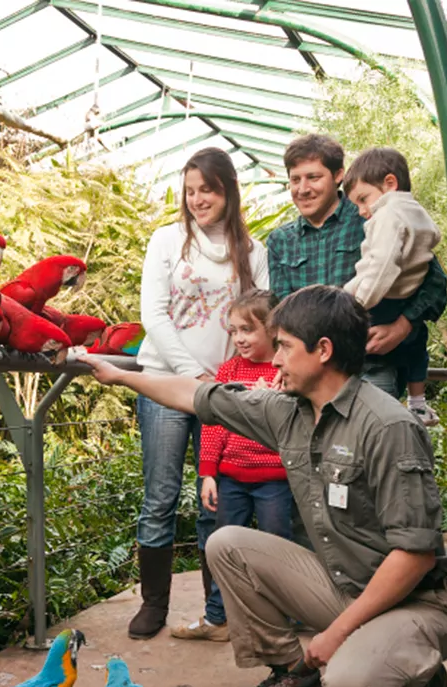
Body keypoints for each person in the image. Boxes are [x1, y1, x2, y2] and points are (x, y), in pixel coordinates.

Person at [81, 285, 447, 687]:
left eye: (283, 345)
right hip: (344, 588)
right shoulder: (288, 412)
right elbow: (195, 394)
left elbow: (415, 555)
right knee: (227, 543)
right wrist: (120, 377)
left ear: (322, 350)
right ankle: (294, 679)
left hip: (412, 604)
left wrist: (335, 635)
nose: (275, 358)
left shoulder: (387, 427)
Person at [129, 147, 269, 640]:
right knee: (160, 496)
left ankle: (219, 609)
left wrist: (223, 380)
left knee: (219, 499)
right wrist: (194, 375)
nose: (197, 200)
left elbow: (261, 320)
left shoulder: (252, 252)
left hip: (224, 393)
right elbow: (155, 315)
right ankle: (154, 604)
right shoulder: (166, 240)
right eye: (190, 191)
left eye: (206, 190)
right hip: (168, 384)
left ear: (226, 190)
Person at [265, 134, 447, 401]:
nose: (302, 189)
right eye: (295, 179)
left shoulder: (373, 215)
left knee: (370, 440)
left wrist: (403, 326)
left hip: (371, 366)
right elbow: (281, 312)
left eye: (313, 177)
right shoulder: (280, 241)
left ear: (338, 175)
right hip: (309, 375)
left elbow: (435, 282)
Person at [171, 290, 293, 643]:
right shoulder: (229, 371)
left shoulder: (284, 371)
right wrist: (208, 473)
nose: (239, 338)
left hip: (275, 480)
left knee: (275, 548)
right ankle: (217, 618)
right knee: (221, 547)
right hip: (232, 480)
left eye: (247, 330)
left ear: (272, 329)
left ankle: (277, 619)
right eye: (234, 330)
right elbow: (213, 424)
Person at [341, 146, 443, 427]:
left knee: (376, 421)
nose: (363, 211)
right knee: (417, 347)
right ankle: (418, 404)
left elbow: (380, 267)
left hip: (379, 303)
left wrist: (353, 304)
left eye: (364, 200)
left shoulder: (387, 216)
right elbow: (432, 240)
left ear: (390, 184)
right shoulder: (416, 212)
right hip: (400, 299)